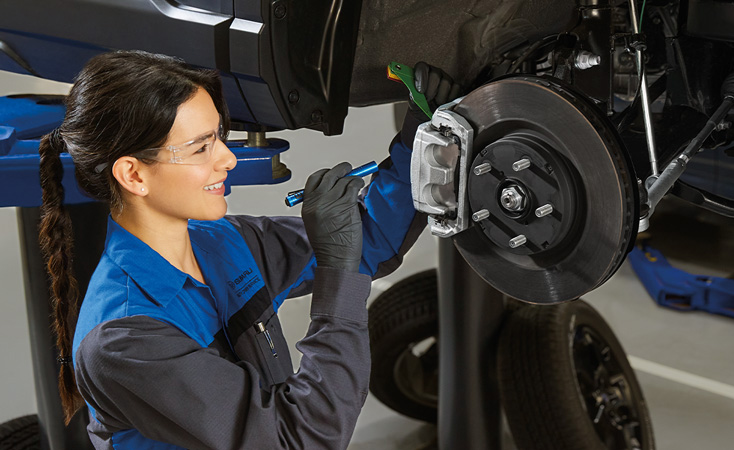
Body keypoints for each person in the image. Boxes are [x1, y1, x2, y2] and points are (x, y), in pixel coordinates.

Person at [37, 50, 460, 449]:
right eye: (201, 147)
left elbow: (368, 244)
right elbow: (304, 438)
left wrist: (422, 138)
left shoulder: (221, 243)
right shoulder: (123, 342)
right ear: (133, 174)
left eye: (219, 136)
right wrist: (337, 275)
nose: (228, 159)